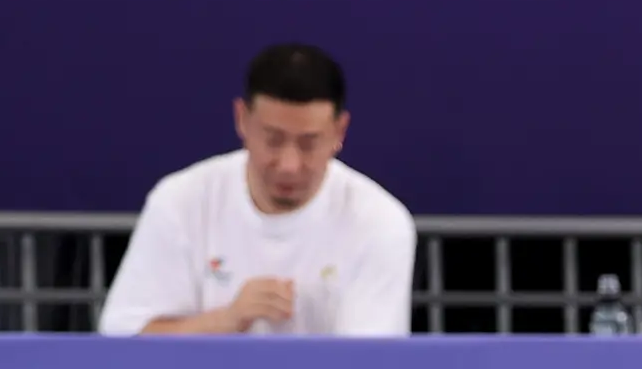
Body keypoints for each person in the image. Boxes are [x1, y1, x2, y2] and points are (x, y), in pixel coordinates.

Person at [98, 43, 415, 338]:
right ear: (242, 120)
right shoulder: (180, 201)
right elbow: (124, 340)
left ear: (339, 131)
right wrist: (229, 319)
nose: (289, 164)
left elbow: (369, 366)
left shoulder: (379, 222)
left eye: (309, 143)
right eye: (273, 140)